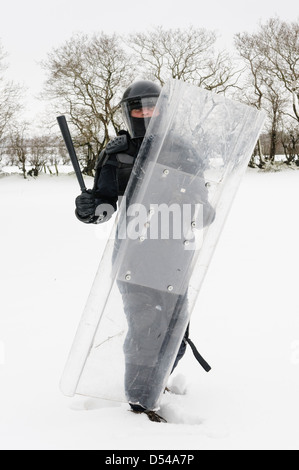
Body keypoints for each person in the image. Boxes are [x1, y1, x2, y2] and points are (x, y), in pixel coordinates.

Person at [75, 80, 214, 422]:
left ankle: (156, 382)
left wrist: (194, 204)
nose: (146, 113)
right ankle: (139, 403)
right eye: (138, 108)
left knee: (174, 334)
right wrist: (90, 207)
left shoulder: (184, 151)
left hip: (175, 256)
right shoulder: (117, 154)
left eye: (152, 106)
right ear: (128, 113)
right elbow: (104, 204)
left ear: (164, 108)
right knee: (145, 328)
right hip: (133, 257)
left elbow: (205, 212)